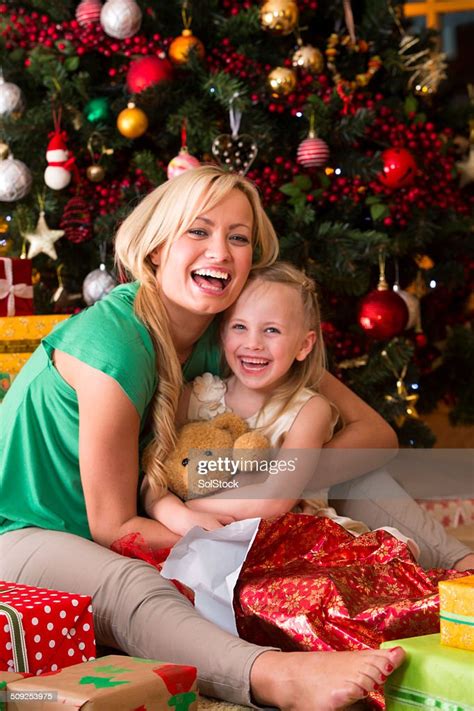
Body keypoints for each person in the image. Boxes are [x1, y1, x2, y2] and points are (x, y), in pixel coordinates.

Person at [0, 166, 470, 710]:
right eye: (198, 231)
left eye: (238, 237)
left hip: (183, 502)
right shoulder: (113, 345)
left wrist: (282, 487)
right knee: (131, 584)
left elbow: (373, 435)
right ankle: (273, 677)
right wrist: (261, 516)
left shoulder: (231, 334)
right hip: (27, 530)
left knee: (356, 465)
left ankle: (464, 575)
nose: (220, 251)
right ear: (156, 249)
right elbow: (112, 528)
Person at [144, 261, 418, 561]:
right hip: (212, 540)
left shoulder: (309, 411)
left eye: (271, 330)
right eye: (239, 327)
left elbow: (276, 498)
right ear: (222, 335)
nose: (253, 343)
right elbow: (154, 476)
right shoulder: (194, 397)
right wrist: (174, 514)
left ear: (304, 345)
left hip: (295, 543)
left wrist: (190, 506)